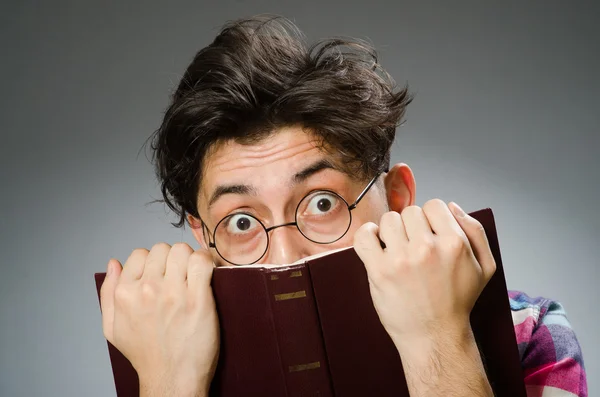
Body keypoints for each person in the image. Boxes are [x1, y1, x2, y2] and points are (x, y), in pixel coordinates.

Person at [99, 16, 587, 397]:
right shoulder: (159, 345)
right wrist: (170, 383)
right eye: (241, 221)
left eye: (322, 202)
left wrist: (439, 337)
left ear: (396, 197)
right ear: (202, 237)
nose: (287, 256)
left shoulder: (529, 330)